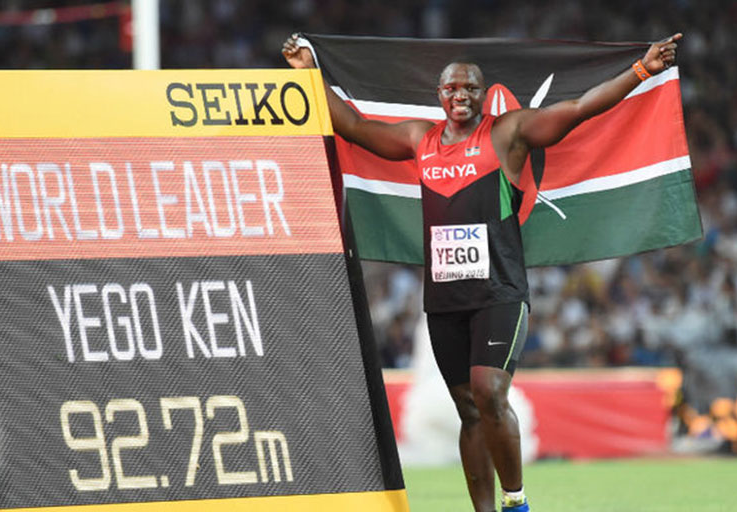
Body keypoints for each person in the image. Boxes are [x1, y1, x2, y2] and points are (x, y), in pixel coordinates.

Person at [283, 33, 680, 512]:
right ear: (440, 95)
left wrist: (641, 70)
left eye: (469, 88)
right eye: (451, 89)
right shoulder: (419, 140)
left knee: (489, 392)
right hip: (446, 300)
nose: (460, 96)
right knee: (467, 411)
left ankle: (515, 501)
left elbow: (577, 109)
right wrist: (308, 70)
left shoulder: (506, 132)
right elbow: (351, 126)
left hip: (500, 293)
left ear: (483, 92)